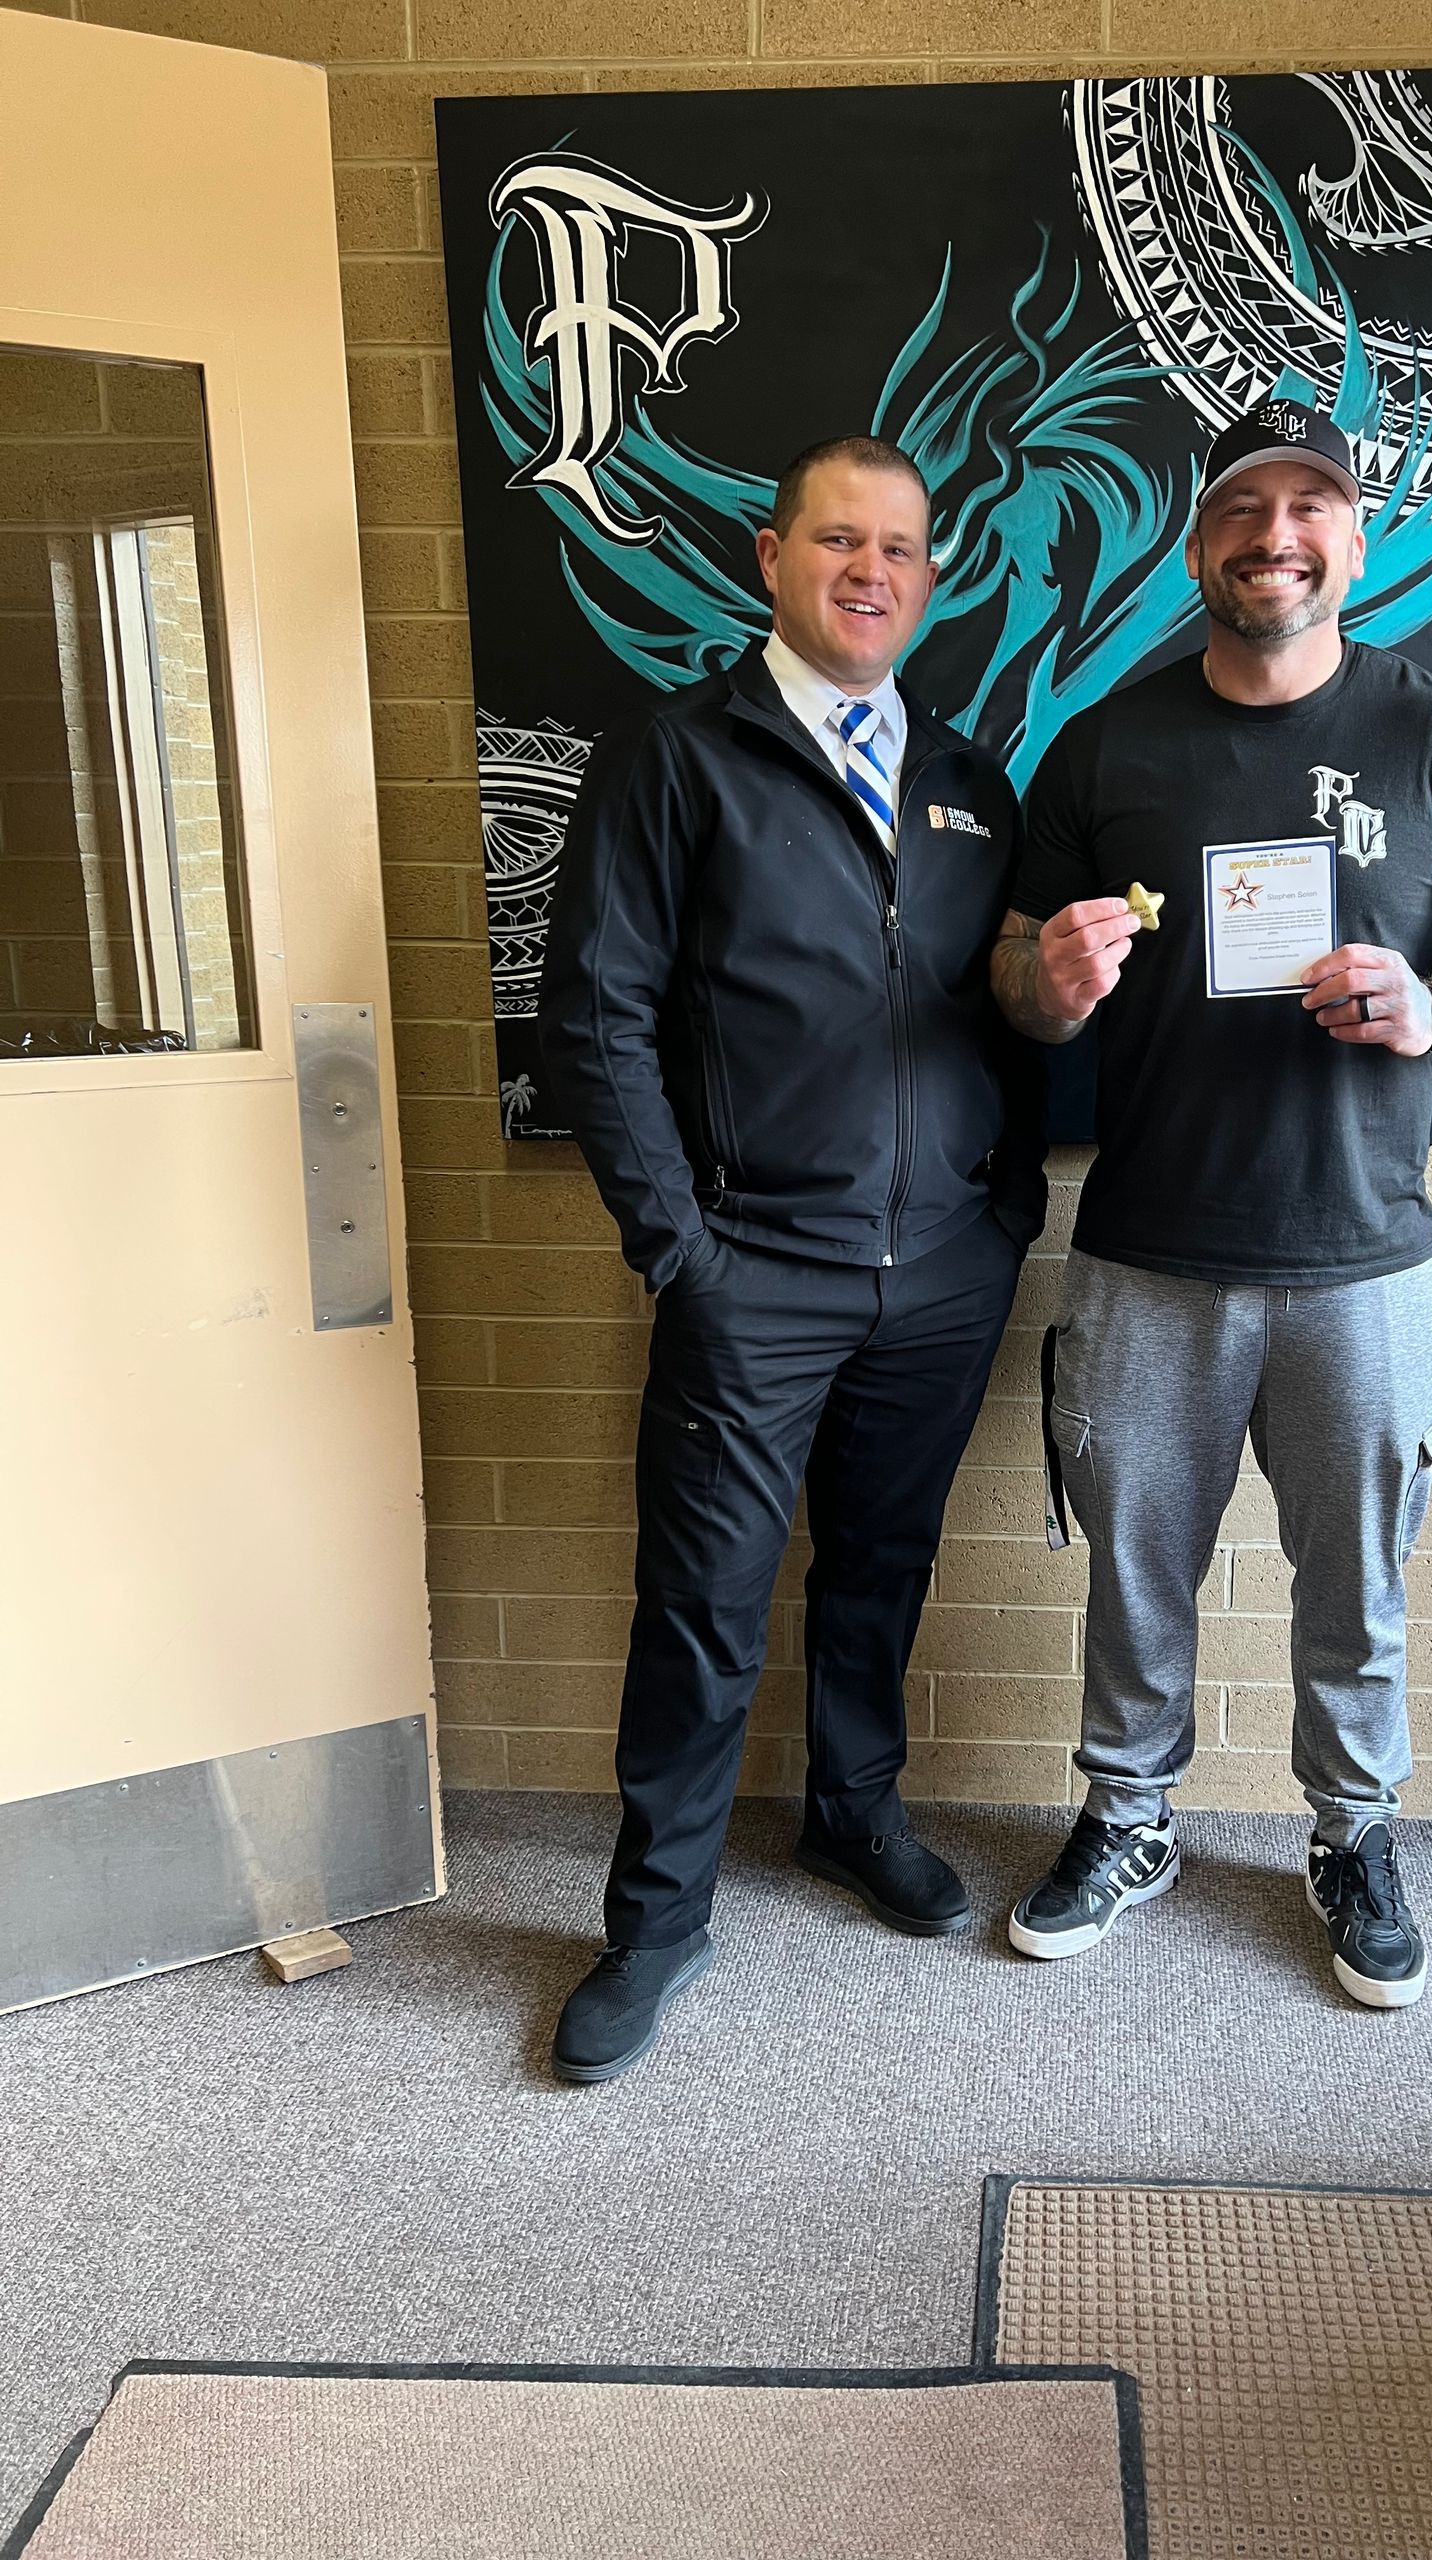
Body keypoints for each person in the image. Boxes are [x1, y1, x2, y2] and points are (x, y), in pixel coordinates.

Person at [990, 399, 1432, 2009]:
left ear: (1356, 533)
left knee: (1361, 1588)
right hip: (1146, 1256)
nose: (1277, 535)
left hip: (1364, 1264)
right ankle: (1127, 1818)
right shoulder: (1108, 744)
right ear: (1202, 542)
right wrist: (1045, 982)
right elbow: (1015, 978)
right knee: (1133, 1579)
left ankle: (1353, 1834)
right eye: (1246, 507)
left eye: (1309, 505)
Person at [538, 434, 1044, 2083]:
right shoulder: (679, 760)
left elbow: (1012, 1008)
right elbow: (594, 1017)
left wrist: (1005, 1210)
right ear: (772, 557)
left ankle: (852, 1813)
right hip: (752, 1271)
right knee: (702, 1606)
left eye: (900, 549)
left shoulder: (972, 778)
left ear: (930, 576)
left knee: (881, 1567)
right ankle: (655, 1921)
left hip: (944, 1270)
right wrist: (679, 1247)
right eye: (840, 541)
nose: (871, 573)